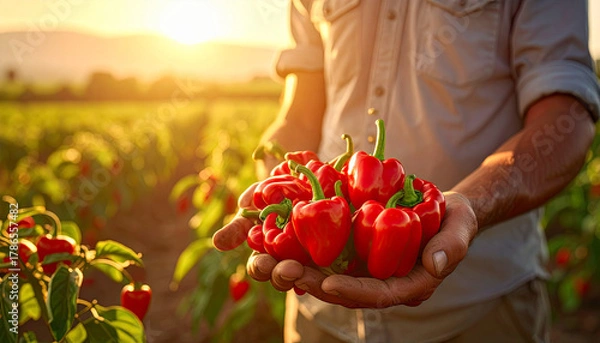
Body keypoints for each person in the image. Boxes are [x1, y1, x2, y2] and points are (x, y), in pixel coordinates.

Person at [213, 1, 600, 342]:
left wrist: (470, 205)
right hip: (318, 315)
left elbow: (566, 115)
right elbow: (301, 111)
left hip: (478, 310)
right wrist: (278, 181)